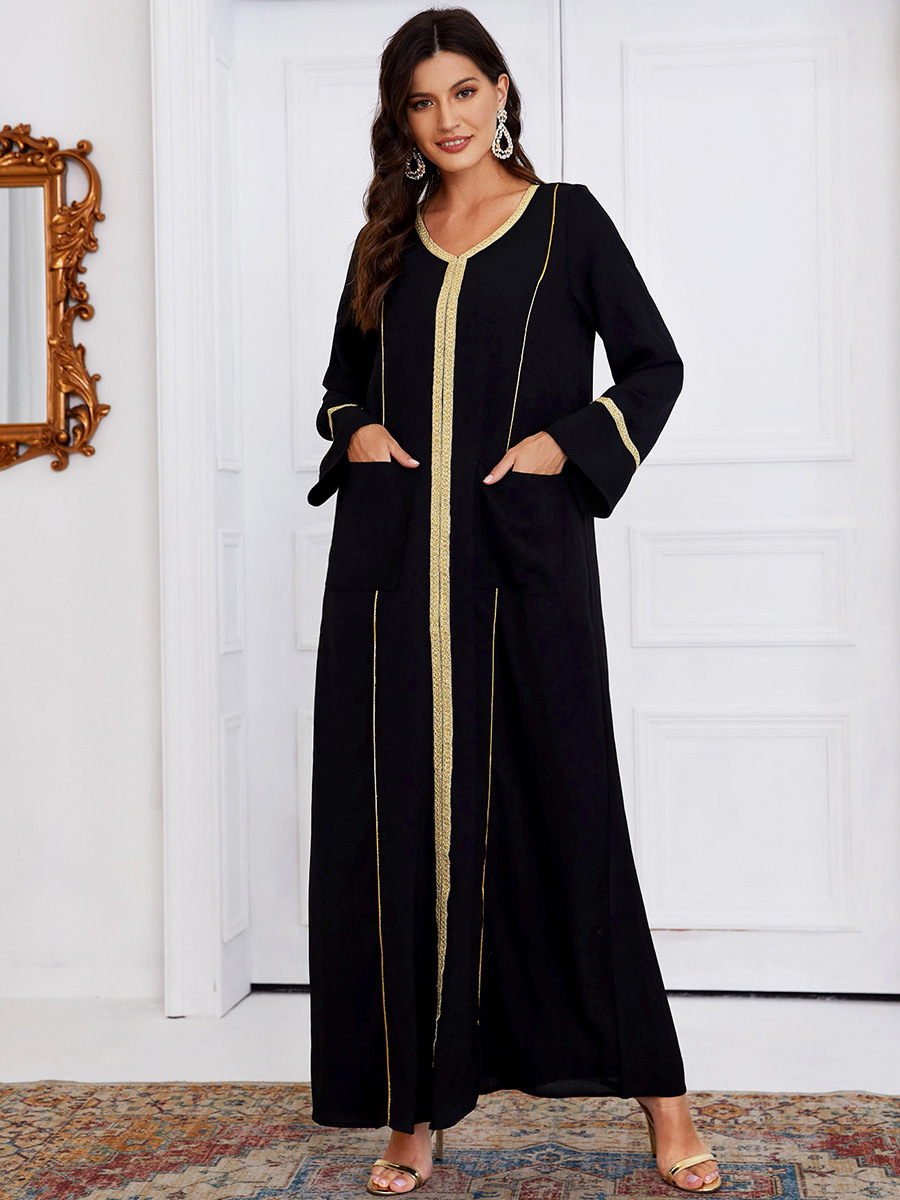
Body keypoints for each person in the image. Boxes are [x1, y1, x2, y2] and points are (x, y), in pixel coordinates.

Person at [306, 6, 723, 1195]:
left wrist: (565, 444)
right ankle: (414, 1113)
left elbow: (655, 365)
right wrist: (359, 430)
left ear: (500, 91)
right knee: (399, 836)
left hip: (524, 573)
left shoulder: (564, 223)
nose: (444, 119)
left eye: (462, 91)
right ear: (400, 120)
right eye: (419, 102)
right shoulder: (387, 242)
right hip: (393, 585)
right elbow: (337, 388)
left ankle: (664, 1100)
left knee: (572, 819)